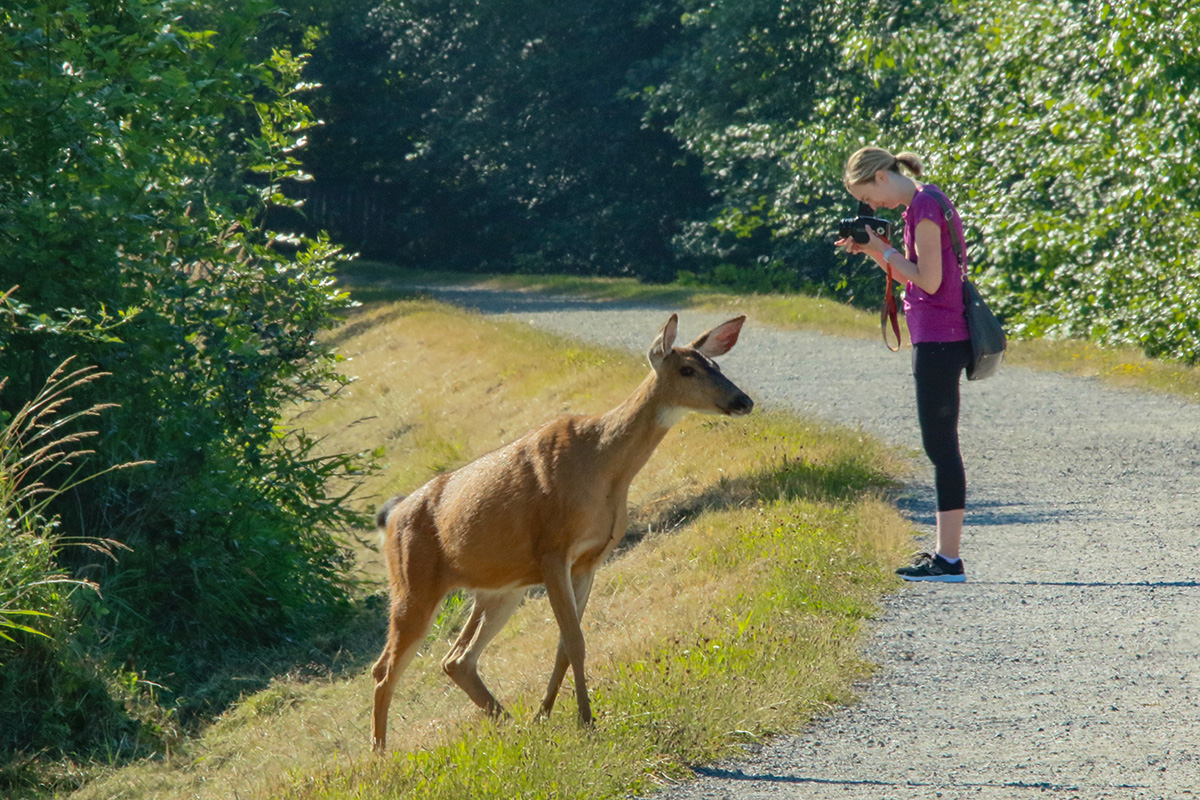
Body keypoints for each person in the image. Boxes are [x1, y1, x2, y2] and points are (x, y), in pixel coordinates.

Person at [836, 146, 971, 583]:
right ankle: (944, 554)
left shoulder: (926, 207)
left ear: (880, 177)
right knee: (939, 445)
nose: (869, 206)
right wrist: (875, 252)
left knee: (941, 447)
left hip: (940, 339)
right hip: (937, 336)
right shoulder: (923, 202)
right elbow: (913, 273)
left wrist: (882, 248)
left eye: (867, 197)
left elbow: (928, 281)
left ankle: (949, 560)